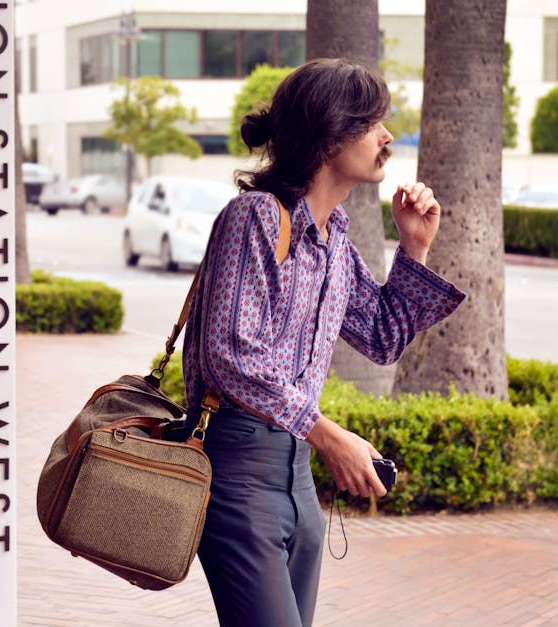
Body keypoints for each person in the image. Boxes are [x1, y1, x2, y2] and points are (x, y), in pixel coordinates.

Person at [179, 58, 466, 626]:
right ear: (331, 136)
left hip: (298, 485)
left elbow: (383, 336)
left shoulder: (334, 236)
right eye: (372, 124)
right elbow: (230, 357)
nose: (387, 137)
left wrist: (414, 249)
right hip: (237, 479)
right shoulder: (255, 218)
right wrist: (331, 437)